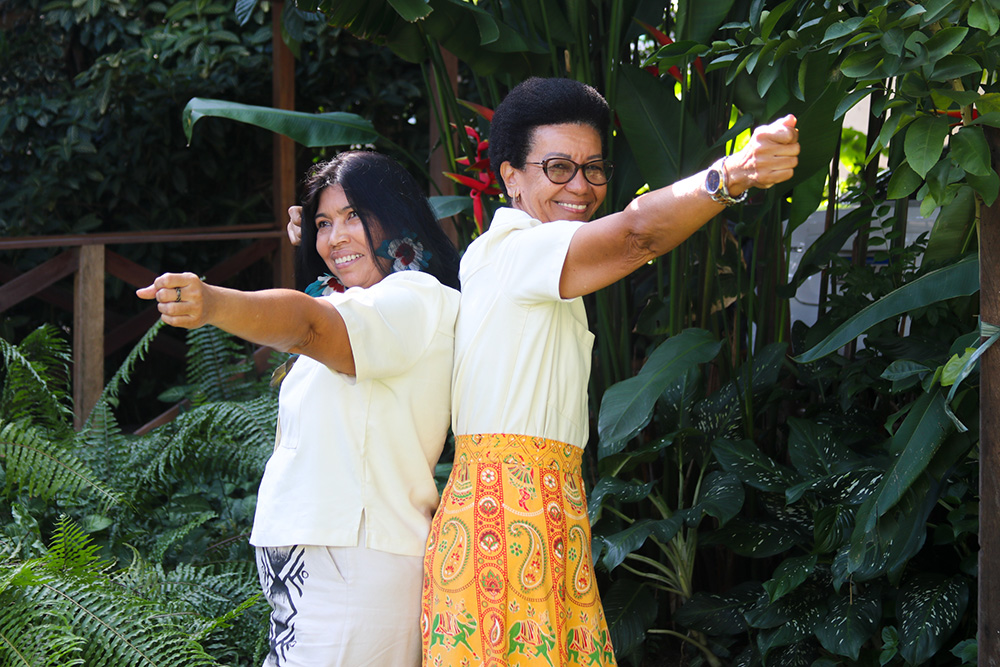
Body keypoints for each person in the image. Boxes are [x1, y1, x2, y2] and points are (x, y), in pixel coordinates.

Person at [420, 77, 800, 667]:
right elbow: (636, 233)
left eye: (593, 168)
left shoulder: (534, 258)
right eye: (558, 167)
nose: (581, 186)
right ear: (510, 178)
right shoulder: (514, 251)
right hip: (507, 516)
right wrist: (732, 173)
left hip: (543, 506)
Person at [138, 150, 461, 667]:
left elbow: (309, 325)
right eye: (324, 224)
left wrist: (213, 303)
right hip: (319, 564)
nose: (335, 238)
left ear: (398, 215)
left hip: (356, 566)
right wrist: (333, 234)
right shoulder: (356, 299)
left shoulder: (414, 298)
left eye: (355, 215)